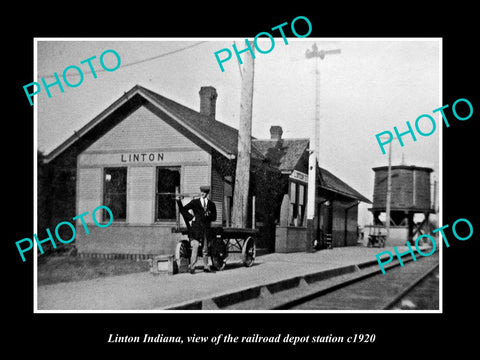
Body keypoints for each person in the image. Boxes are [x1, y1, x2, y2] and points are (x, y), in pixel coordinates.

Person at [181, 186, 217, 274]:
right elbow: (183, 209)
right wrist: (191, 217)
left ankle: (206, 266)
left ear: (207, 193)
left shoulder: (211, 204)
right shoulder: (195, 202)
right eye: (201, 192)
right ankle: (192, 267)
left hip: (206, 228)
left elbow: (214, 217)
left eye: (204, 192)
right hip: (196, 228)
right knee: (195, 246)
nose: (202, 193)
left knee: (205, 249)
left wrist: (209, 215)